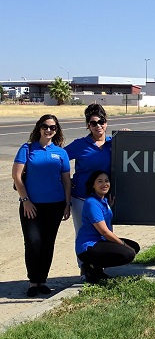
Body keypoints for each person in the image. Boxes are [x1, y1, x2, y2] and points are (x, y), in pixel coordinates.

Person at [12, 114, 71, 297]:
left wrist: (67, 204)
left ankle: (43, 281)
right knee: (33, 243)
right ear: (39, 128)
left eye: (52, 127)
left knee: (47, 244)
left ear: (56, 130)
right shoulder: (27, 149)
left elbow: (66, 181)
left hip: (55, 205)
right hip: (31, 206)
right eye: (45, 126)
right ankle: (32, 282)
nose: (48, 130)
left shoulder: (61, 153)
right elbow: (17, 176)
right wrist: (25, 201)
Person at [76, 171, 140, 283]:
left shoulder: (103, 200)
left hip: (101, 242)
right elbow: (104, 232)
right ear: (93, 185)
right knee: (128, 253)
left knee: (135, 246)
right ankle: (89, 266)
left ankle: (97, 269)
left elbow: (102, 214)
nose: (104, 184)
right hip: (88, 246)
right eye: (100, 181)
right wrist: (123, 244)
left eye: (106, 181)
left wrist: (108, 206)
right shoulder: (91, 203)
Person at [65, 103, 113, 234]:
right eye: (93, 123)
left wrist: (128, 136)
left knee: (105, 236)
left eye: (101, 122)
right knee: (84, 236)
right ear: (88, 126)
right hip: (81, 198)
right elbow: (58, 159)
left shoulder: (114, 143)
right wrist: (67, 181)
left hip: (104, 199)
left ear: (106, 123)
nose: (98, 126)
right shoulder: (80, 145)